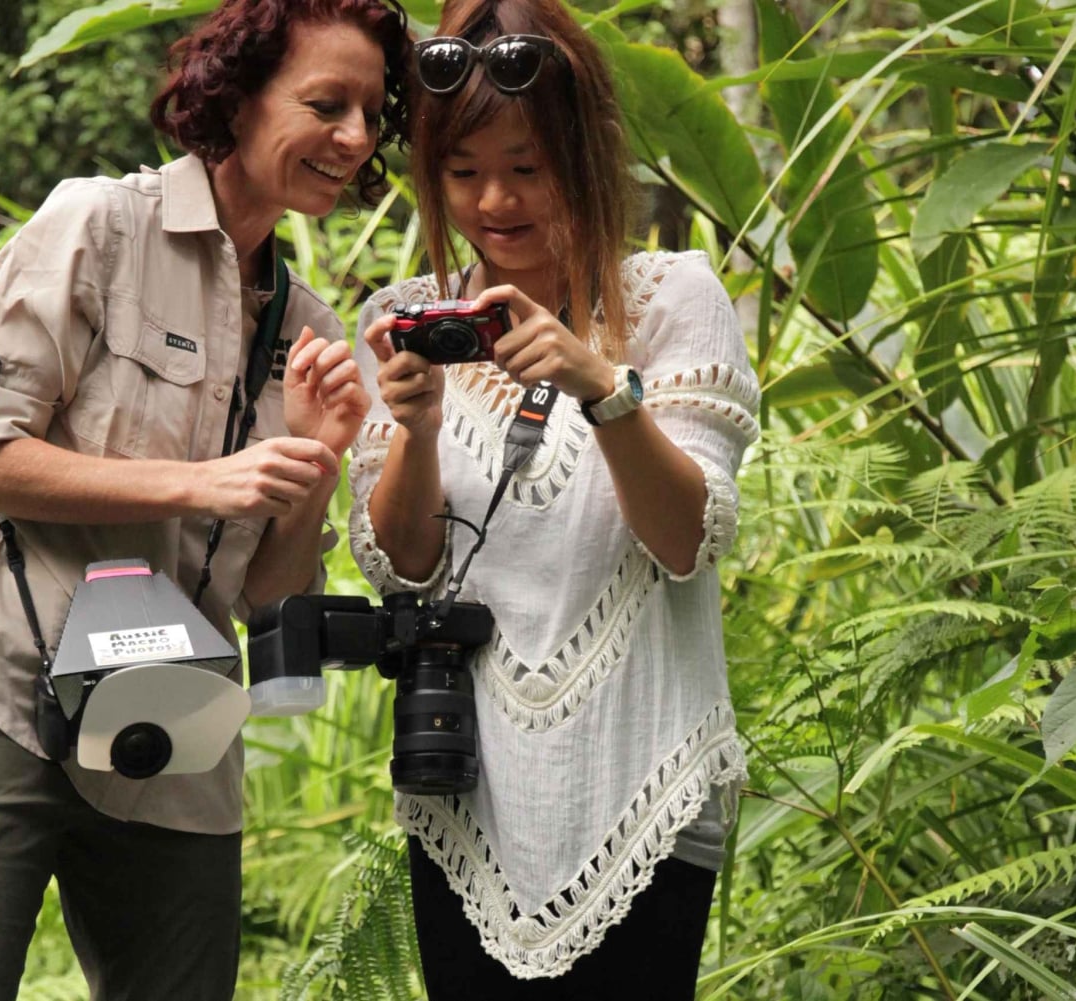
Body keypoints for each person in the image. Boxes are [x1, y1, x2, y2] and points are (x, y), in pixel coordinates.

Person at [0, 2, 410, 998]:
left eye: (373, 114)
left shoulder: (310, 328)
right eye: (326, 103)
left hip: (173, 739)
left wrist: (313, 463)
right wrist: (195, 482)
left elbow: (267, 601)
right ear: (235, 98)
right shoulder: (100, 225)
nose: (355, 137)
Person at [347, 0, 760, 996]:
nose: (495, 200)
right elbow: (402, 562)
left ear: (582, 156)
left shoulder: (669, 300)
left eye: (526, 167)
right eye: (464, 171)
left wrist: (603, 389)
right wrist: (416, 423)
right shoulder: (404, 320)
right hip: (468, 787)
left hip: (644, 780)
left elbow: (685, 542)